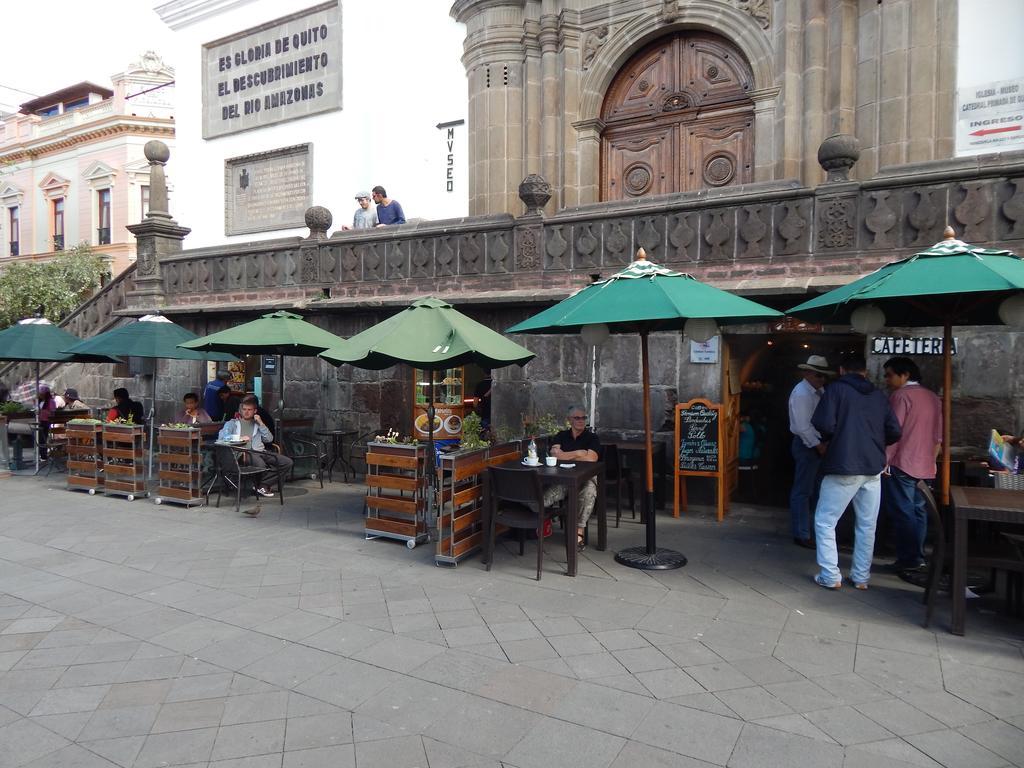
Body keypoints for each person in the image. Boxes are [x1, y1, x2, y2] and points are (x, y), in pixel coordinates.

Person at [811, 353, 902, 590]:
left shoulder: (836, 390)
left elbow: (822, 423)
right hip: (873, 467)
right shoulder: (878, 395)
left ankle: (830, 575)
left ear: (841, 370)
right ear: (865, 372)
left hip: (844, 463)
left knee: (825, 520)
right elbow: (894, 431)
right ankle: (861, 577)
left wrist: (836, 436)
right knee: (867, 524)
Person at [881, 357, 942, 578]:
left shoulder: (901, 396)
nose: (886, 379)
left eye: (889, 374)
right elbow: (938, 436)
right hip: (925, 463)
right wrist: (932, 459)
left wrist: (885, 461)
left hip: (902, 462)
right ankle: (916, 556)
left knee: (903, 512)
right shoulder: (933, 397)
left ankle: (909, 558)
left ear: (904, 374)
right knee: (918, 511)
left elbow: (893, 432)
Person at [788, 355, 833, 549]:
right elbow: (802, 426)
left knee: (816, 490)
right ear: (807, 373)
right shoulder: (802, 394)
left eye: (823, 376)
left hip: (816, 444)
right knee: (803, 490)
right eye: (818, 375)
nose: (821, 379)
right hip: (808, 445)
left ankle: (811, 531)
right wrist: (819, 446)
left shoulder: (818, 391)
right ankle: (802, 533)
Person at [545, 404, 602, 551]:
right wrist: (579, 453)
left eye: (583, 417)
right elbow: (555, 456)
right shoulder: (561, 435)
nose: (581, 420)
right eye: (577, 418)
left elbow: (591, 459)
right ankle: (537, 523)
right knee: (545, 497)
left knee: (589, 491)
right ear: (569, 420)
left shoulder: (592, 438)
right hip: (564, 479)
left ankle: (579, 531)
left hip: (586, 477)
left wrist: (565, 456)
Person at [218, 395, 293, 500]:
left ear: (255, 411)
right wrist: (239, 438)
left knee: (287, 462)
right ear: (240, 410)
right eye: (244, 409)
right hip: (243, 453)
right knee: (260, 464)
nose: (246, 412)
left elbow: (269, 439)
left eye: (249, 410)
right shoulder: (232, 423)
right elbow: (222, 437)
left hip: (261, 451)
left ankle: (262, 485)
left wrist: (261, 423)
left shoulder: (257, 424)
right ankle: (261, 486)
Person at [36, 386, 57, 460]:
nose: (40, 395)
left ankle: (43, 455)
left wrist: (41, 412)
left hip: (46, 422)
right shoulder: (40, 401)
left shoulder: (51, 402)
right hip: (39, 421)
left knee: (43, 439)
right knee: (39, 439)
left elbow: (52, 413)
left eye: (41, 394)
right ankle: (40, 454)